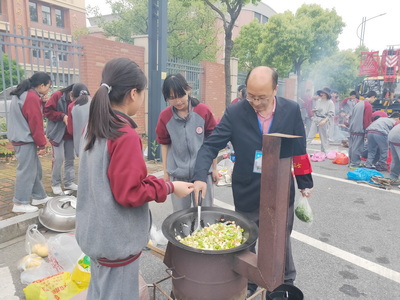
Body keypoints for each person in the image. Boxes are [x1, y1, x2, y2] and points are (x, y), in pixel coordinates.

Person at [75, 58, 194, 300]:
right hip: (115, 241)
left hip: (95, 236)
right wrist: (170, 186)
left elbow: (114, 181)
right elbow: (129, 192)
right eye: (143, 92)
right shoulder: (124, 134)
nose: (143, 97)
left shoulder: (96, 125)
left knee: (99, 292)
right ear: (132, 93)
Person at [192, 66, 313, 296]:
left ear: (275, 89)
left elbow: (299, 149)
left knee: (280, 236)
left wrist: (305, 182)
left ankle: (283, 283)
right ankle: (249, 281)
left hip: (279, 185)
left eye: (262, 97)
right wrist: (200, 176)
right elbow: (210, 145)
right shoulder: (236, 112)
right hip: (247, 185)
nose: (255, 102)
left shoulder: (291, 110)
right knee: (247, 234)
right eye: (251, 96)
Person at [156, 73, 218, 212]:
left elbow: (212, 141)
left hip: (202, 174)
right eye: (172, 98)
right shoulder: (165, 117)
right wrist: (166, 172)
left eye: (180, 95)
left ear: (188, 90)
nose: (178, 101)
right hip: (178, 175)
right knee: (180, 215)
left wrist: (214, 168)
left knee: (204, 213)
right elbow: (164, 143)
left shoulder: (203, 111)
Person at [7, 72, 53, 213]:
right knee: (26, 171)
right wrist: (41, 144)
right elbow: (35, 122)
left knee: (35, 169)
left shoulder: (25, 94)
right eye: (49, 87)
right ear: (41, 85)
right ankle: (20, 203)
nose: (49, 90)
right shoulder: (31, 97)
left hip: (22, 137)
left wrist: (42, 102)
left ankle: (39, 196)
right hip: (24, 139)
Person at [44, 84, 77, 195]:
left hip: (70, 134)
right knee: (59, 158)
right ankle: (56, 184)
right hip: (57, 133)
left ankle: (69, 182)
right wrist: (62, 116)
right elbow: (47, 111)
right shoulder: (57, 96)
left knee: (70, 158)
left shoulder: (78, 100)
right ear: (71, 93)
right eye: (74, 97)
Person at [348, 90, 377, 169]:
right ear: (372, 97)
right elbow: (367, 119)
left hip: (353, 127)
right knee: (357, 147)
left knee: (352, 146)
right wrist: (367, 130)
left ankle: (351, 162)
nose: (374, 101)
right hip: (359, 129)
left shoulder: (359, 103)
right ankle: (355, 164)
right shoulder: (368, 105)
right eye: (374, 99)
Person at [306, 87, 335, 153]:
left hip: (324, 120)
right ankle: (303, 150)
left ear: (326, 94)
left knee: (323, 137)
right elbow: (317, 108)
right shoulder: (318, 101)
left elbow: (331, 114)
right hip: (316, 119)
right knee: (310, 135)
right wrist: (314, 112)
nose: (322, 94)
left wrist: (324, 121)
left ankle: (324, 152)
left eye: (323, 93)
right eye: (321, 93)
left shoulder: (330, 103)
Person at [66, 83, 91, 157]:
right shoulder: (95, 103)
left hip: (80, 145)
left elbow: (70, 130)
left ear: (73, 94)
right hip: (94, 143)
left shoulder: (72, 106)